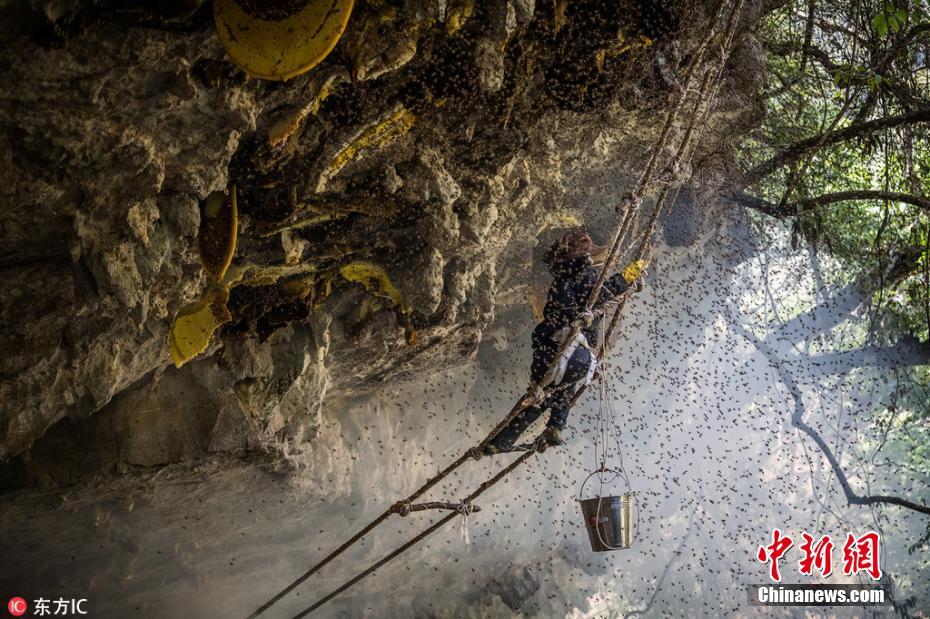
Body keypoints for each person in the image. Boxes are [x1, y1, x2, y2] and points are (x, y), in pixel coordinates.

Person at [482, 227, 646, 455]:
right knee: (558, 390)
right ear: (581, 254)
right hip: (571, 352)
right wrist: (627, 278)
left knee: (541, 395)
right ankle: (555, 426)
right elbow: (600, 296)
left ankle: (505, 439)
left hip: (548, 350)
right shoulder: (585, 274)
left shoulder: (561, 281)